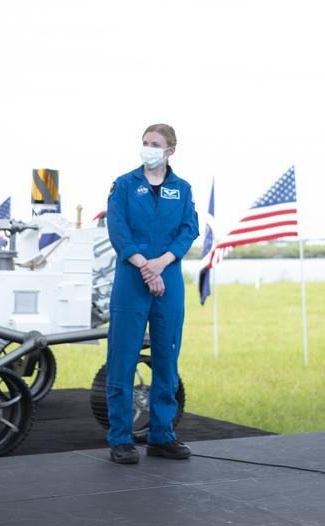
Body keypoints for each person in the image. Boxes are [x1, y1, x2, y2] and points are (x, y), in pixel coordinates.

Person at [103, 124, 199, 464]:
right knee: (123, 358)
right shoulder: (125, 185)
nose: (148, 148)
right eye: (145, 143)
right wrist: (145, 266)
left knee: (166, 358)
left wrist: (162, 263)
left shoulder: (181, 189)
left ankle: (162, 434)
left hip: (168, 276)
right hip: (132, 276)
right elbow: (117, 229)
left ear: (170, 150)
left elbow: (189, 230)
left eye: (155, 144)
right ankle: (120, 438)